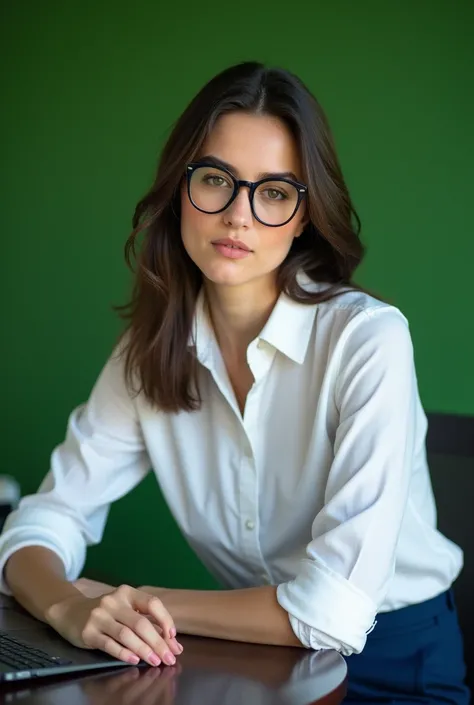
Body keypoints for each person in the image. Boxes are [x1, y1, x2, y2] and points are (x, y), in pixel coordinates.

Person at [0, 62, 469, 703]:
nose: (239, 216)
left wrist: (129, 601)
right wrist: (65, 608)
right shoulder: (151, 348)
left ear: (305, 215)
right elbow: (42, 522)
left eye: (274, 192)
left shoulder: (368, 340)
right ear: (179, 189)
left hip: (398, 665)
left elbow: (330, 611)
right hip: (256, 664)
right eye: (216, 180)